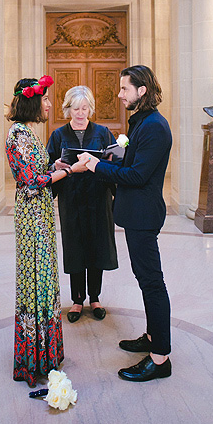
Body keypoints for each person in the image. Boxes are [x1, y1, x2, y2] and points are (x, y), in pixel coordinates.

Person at [78, 66, 172, 382]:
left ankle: (160, 359)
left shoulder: (155, 126)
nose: (119, 95)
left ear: (141, 90)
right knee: (146, 279)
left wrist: (97, 166)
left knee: (152, 282)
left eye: (124, 89)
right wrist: (111, 158)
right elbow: (131, 163)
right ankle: (151, 337)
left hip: (143, 215)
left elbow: (137, 176)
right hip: (135, 214)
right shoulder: (143, 122)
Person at [5, 75, 86, 387]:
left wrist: (58, 167)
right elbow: (30, 180)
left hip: (41, 213)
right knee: (35, 278)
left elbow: (39, 171)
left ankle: (46, 353)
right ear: (33, 100)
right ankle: (33, 358)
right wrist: (67, 171)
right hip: (31, 217)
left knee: (45, 277)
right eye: (47, 99)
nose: (50, 104)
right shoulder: (17, 134)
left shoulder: (29, 132)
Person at [47, 86, 118, 323]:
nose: (80, 113)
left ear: (90, 108)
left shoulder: (103, 132)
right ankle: (77, 300)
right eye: (76, 108)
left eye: (85, 108)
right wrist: (56, 166)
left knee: (97, 248)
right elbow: (48, 167)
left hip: (98, 199)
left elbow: (115, 164)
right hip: (73, 199)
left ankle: (95, 298)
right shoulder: (58, 135)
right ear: (68, 109)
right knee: (75, 248)